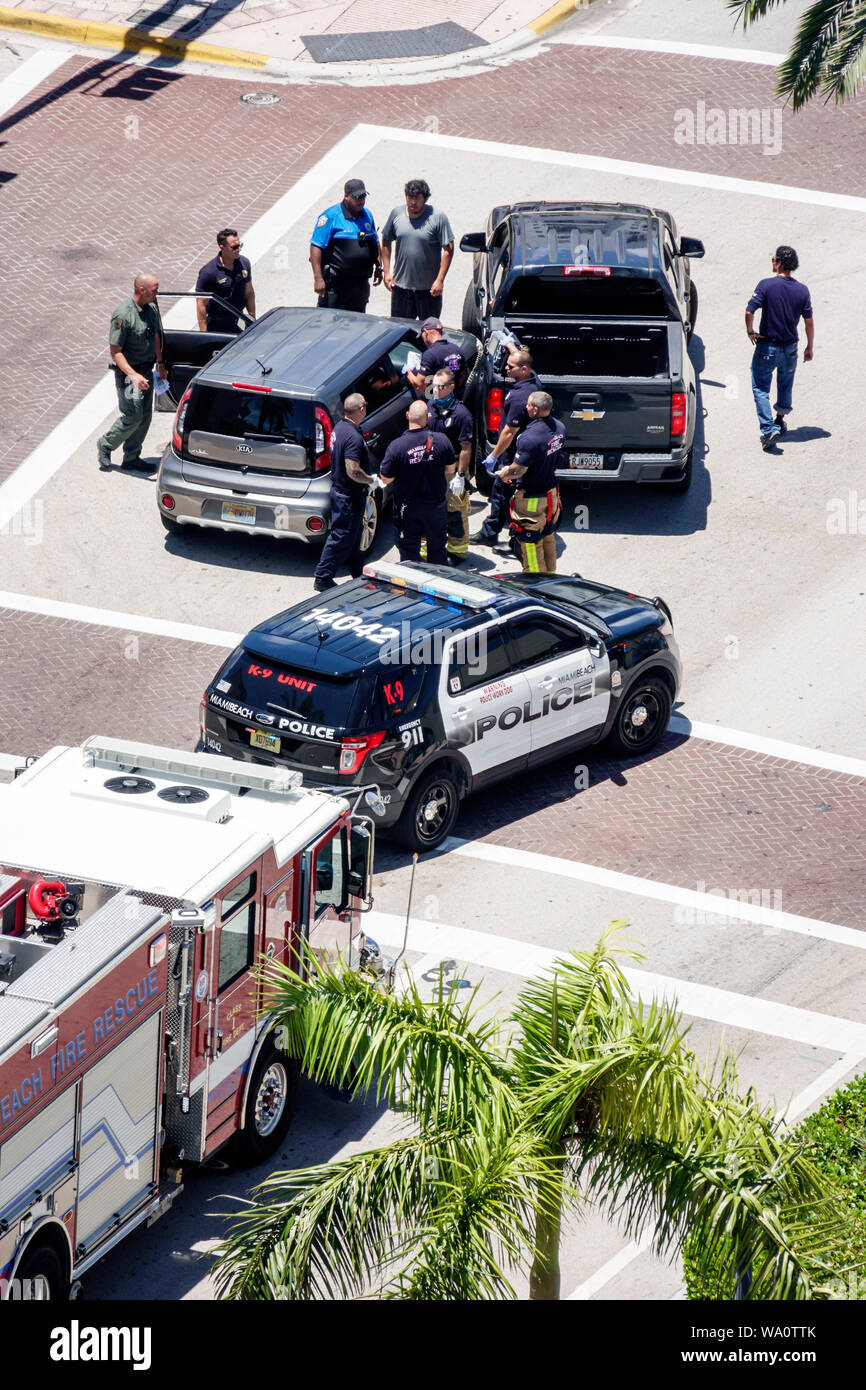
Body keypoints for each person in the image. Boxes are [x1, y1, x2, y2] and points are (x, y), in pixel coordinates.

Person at [745, 245, 814, 451]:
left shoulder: (766, 285)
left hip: (767, 346)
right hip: (791, 347)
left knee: (760, 387)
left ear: (779, 263)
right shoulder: (802, 290)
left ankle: (768, 429)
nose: (772, 262)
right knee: (785, 384)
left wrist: (750, 331)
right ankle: (780, 420)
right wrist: (810, 346)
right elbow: (809, 321)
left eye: (773, 259)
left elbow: (750, 311)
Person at [97, 273, 167, 471]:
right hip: (129, 375)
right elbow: (115, 352)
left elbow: (155, 336)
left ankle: (131, 458)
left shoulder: (152, 308)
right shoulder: (123, 315)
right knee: (132, 415)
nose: (157, 293)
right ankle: (106, 444)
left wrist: (160, 362)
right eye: (154, 289)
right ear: (141, 290)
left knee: (145, 417)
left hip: (147, 370)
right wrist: (133, 375)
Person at [472, 348, 540, 547]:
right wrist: (511, 347)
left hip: (512, 454)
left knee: (502, 493)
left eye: (511, 366)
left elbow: (509, 432)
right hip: (521, 453)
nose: (506, 368)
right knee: (502, 493)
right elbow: (523, 358)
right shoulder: (532, 380)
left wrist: (493, 456)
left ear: (524, 369)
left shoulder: (520, 398)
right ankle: (493, 532)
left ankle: (506, 538)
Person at [313, 394, 378, 593]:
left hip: (343, 493)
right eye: (365, 405)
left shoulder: (340, 427)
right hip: (348, 496)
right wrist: (371, 480)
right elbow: (353, 470)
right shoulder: (353, 437)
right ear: (361, 409)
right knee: (341, 536)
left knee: (354, 534)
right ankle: (323, 577)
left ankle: (357, 571)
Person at [379, 400, 456, 565]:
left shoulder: (396, 446)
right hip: (435, 506)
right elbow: (451, 469)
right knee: (437, 550)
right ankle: (438, 582)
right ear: (427, 418)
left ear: (407, 416)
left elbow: (386, 478)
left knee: (408, 553)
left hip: (407, 509)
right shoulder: (442, 440)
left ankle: (411, 585)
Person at [498, 392, 564, 574]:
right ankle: (551, 578)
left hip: (531, 500)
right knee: (548, 536)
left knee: (530, 542)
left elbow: (519, 469)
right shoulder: (559, 428)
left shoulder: (530, 438)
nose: (525, 407)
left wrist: (505, 473)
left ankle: (535, 582)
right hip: (551, 495)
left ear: (535, 409)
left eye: (527, 405)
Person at [381, 179, 454, 320]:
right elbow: (386, 240)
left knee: (429, 332)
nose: (412, 202)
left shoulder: (438, 217)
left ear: (425, 199)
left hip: (429, 291)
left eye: (417, 198)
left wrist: (440, 280)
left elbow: (448, 250)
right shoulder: (397, 213)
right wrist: (386, 272)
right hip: (401, 289)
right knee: (400, 332)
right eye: (409, 197)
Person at [310, 178, 383, 313]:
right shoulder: (330, 216)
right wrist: (318, 278)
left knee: (358, 324)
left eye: (363, 196)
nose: (361, 201)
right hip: (336, 284)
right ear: (346, 196)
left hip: (360, 283)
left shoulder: (367, 215)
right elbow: (316, 246)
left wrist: (379, 266)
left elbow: (374, 242)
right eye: (357, 197)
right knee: (331, 322)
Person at [427, 369, 474, 566]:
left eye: (440, 387)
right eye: (434, 386)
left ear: (451, 387)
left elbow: (465, 448)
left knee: (455, 511)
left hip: (452, 468)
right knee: (429, 507)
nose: (436, 390)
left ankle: (457, 552)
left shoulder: (461, 414)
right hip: (431, 466)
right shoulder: (431, 406)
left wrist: (461, 476)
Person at [195, 229, 255, 334]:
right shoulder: (209, 273)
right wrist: (204, 335)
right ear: (222, 247)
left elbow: (249, 293)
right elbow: (201, 305)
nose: (239, 249)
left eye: (239, 245)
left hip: (238, 319)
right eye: (234, 247)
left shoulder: (244, 263)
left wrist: (252, 319)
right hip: (217, 326)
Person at [406, 319, 466, 393]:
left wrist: (408, 373)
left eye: (422, 336)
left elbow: (420, 386)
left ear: (426, 332)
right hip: (454, 398)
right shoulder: (456, 349)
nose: (423, 339)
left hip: (438, 400)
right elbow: (462, 377)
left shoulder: (429, 354)